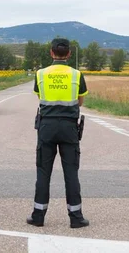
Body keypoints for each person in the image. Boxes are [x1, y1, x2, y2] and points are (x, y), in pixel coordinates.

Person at [27, 37, 89, 229]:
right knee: (71, 171)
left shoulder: (41, 74)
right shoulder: (76, 75)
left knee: (43, 172)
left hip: (47, 127)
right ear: (69, 53)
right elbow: (80, 101)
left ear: (51, 52)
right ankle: (76, 217)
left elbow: (40, 97)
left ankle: (38, 216)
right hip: (69, 127)